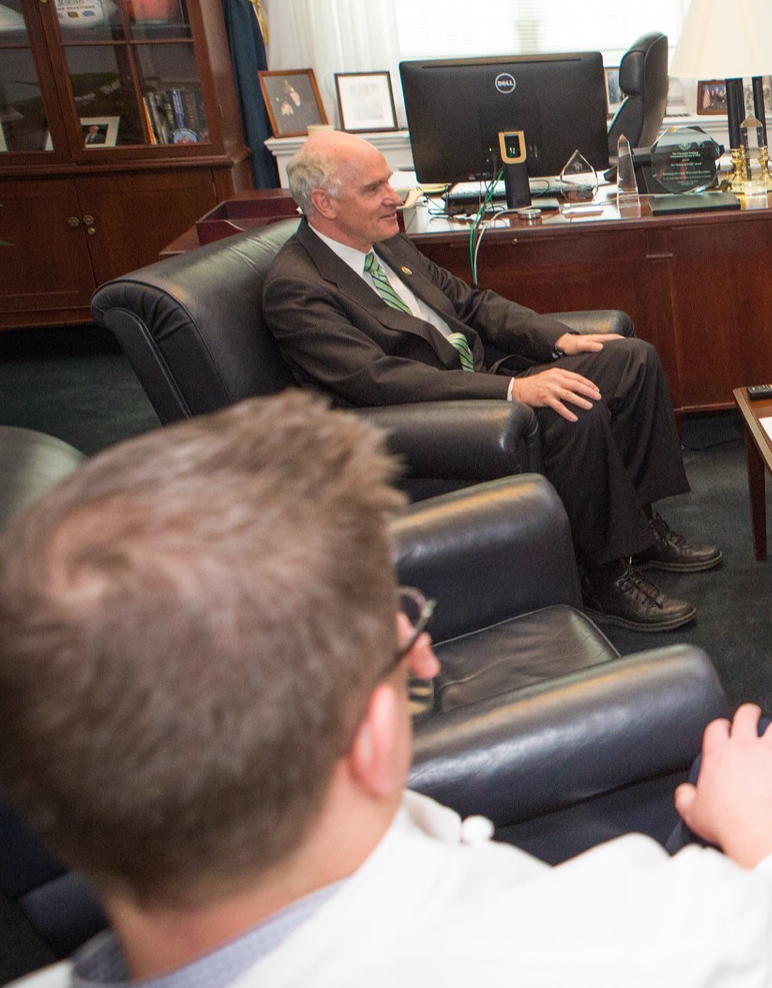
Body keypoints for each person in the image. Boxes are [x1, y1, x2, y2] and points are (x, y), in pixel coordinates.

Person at [0, 393, 772, 988]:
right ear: (375, 736)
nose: (424, 652)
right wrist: (767, 836)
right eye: (402, 630)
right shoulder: (666, 946)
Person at [263, 130, 719, 634]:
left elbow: (470, 304)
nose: (394, 197)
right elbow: (378, 380)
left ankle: (640, 531)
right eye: (374, 189)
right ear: (325, 203)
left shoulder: (383, 242)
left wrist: (556, 339)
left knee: (632, 361)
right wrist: (511, 392)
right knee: (572, 407)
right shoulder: (297, 286)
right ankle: (603, 575)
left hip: (480, 375)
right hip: (433, 417)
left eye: (389, 183)